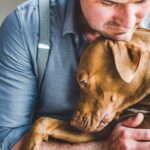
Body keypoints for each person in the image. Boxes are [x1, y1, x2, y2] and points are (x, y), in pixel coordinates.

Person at [0, 0, 150, 150]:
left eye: (140, 1)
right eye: (108, 3)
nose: (128, 22)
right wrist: (101, 147)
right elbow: (6, 140)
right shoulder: (26, 27)